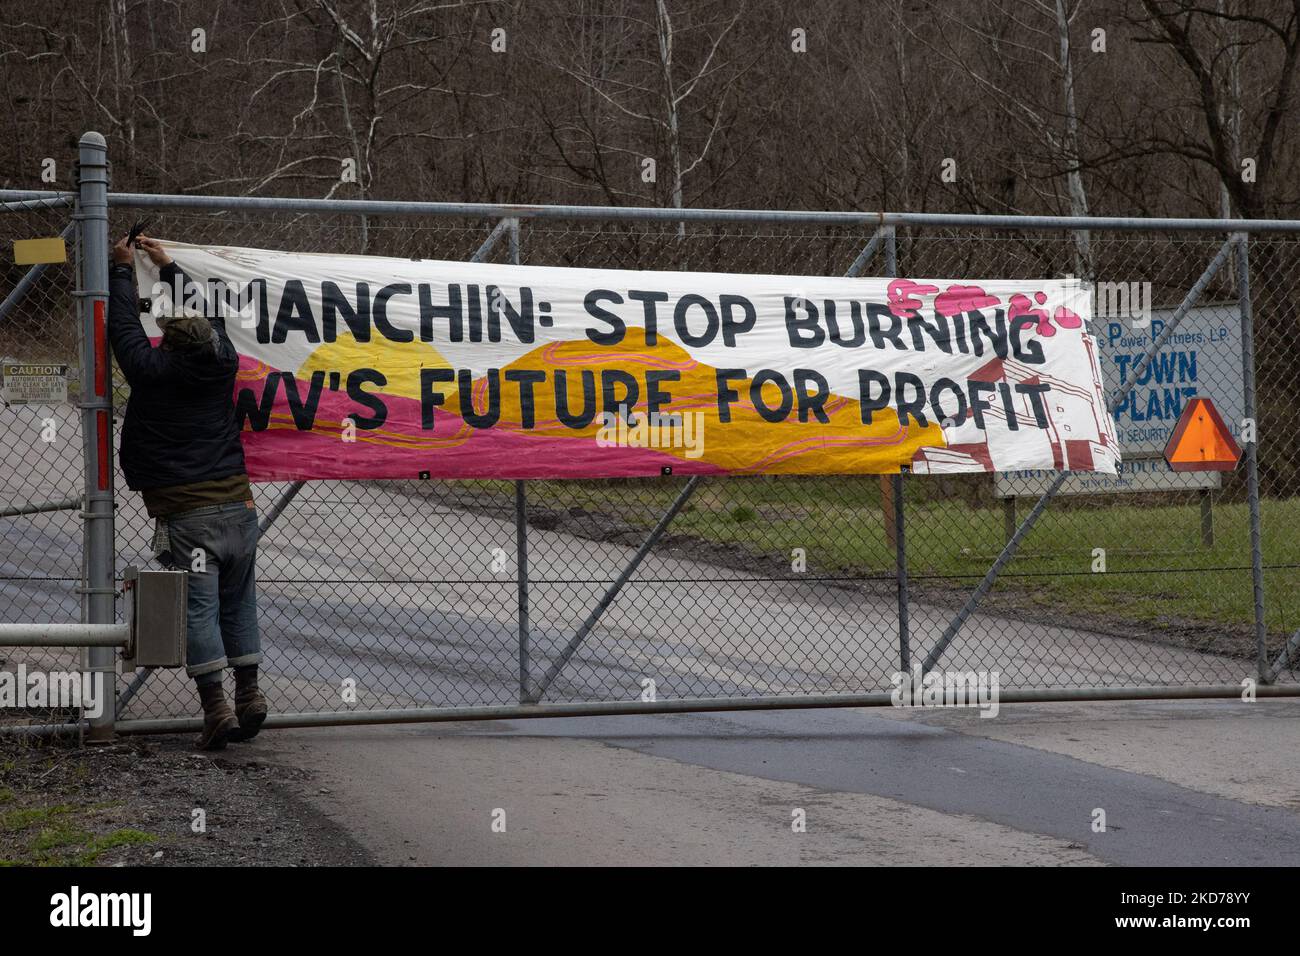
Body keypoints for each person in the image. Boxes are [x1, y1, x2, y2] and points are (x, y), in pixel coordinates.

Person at [108, 233, 267, 750]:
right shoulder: (223, 362)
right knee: (239, 604)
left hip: (189, 515)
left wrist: (121, 269)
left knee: (199, 609)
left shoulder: (153, 371)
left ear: (170, 345)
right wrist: (170, 265)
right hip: (240, 511)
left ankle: (217, 708)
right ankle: (250, 695)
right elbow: (208, 312)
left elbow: (124, 327)